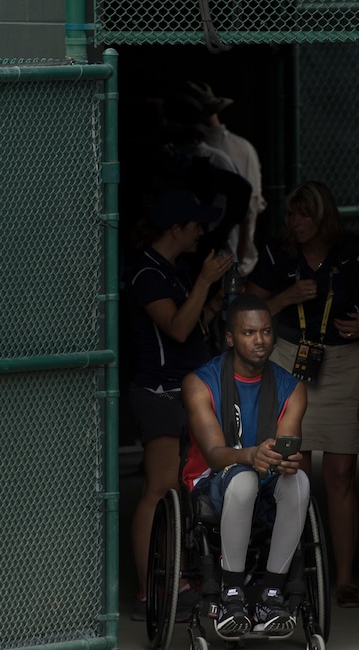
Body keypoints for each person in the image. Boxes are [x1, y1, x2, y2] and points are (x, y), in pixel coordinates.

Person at [246, 180, 359, 609]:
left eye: (306, 215)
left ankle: (343, 580)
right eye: (292, 215)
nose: (297, 223)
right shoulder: (276, 253)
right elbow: (248, 310)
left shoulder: (352, 250)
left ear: (324, 218)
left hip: (344, 362)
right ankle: (285, 573)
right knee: (289, 471)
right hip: (289, 359)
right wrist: (284, 297)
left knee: (339, 475)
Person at [125, 189, 236, 621]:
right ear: (175, 228)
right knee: (159, 488)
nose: (202, 233)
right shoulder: (147, 273)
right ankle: (146, 590)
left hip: (188, 389)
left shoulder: (174, 269)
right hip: (159, 393)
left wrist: (212, 299)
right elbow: (175, 328)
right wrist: (205, 281)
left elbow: (193, 327)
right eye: (195, 226)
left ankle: (182, 579)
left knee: (192, 484)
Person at [180, 295, 310, 637]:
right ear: (230, 337)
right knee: (244, 480)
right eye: (249, 332)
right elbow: (212, 453)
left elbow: (286, 449)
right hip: (214, 481)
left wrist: (287, 460)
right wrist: (250, 455)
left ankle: (272, 594)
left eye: (266, 332)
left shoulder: (292, 388)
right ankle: (232, 594)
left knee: (299, 481)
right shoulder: (199, 383)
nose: (260, 340)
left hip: (265, 478)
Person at [185, 80, 266, 276]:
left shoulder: (230, 152)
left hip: (228, 259)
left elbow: (250, 210)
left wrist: (238, 263)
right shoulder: (237, 148)